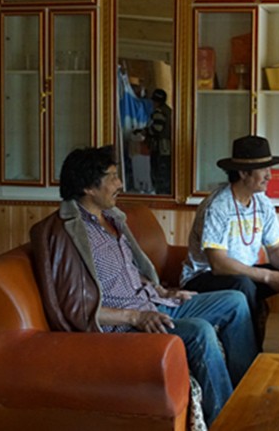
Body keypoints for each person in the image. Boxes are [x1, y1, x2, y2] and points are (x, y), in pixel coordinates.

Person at [30, 145, 257, 426]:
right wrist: (135, 317)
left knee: (235, 301)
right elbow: (76, 307)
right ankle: (229, 421)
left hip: (153, 303)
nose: (120, 184)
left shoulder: (112, 219)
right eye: (112, 177)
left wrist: (164, 291)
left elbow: (127, 273)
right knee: (200, 331)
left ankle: (247, 393)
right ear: (88, 187)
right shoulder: (68, 233)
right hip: (127, 326)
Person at [181, 135, 279, 354]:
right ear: (243, 173)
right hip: (203, 278)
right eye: (263, 169)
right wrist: (268, 276)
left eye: (269, 168)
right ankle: (250, 358)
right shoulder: (217, 206)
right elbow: (219, 264)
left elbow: (275, 248)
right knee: (244, 284)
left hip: (244, 274)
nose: (270, 175)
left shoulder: (262, 202)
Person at [147, 88, 172, 194]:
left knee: (160, 174)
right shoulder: (168, 111)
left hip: (162, 148)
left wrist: (145, 132)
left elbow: (157, 129)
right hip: (168, 148)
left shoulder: (159, 112)